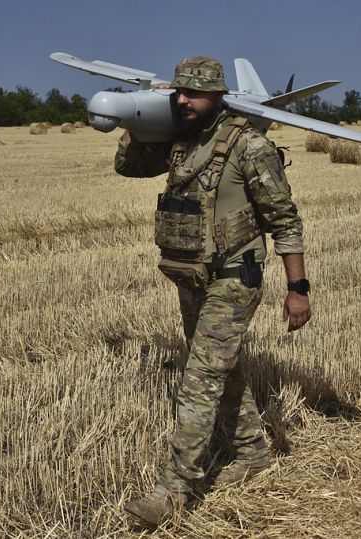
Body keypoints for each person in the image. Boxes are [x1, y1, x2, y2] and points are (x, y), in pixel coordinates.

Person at [115, 56, 311, 527]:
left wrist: (297, 289)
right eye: (178, 92)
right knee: (223, 368)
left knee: (200, 376)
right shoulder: (181, 141)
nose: (182, 100)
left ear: (218, 96)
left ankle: (174, 491)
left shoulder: (251, 147)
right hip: (191, 274)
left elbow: (284, 222)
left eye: (193, 94)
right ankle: (252, 453)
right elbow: (128, 167)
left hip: (234, 277)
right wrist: (132, 123)